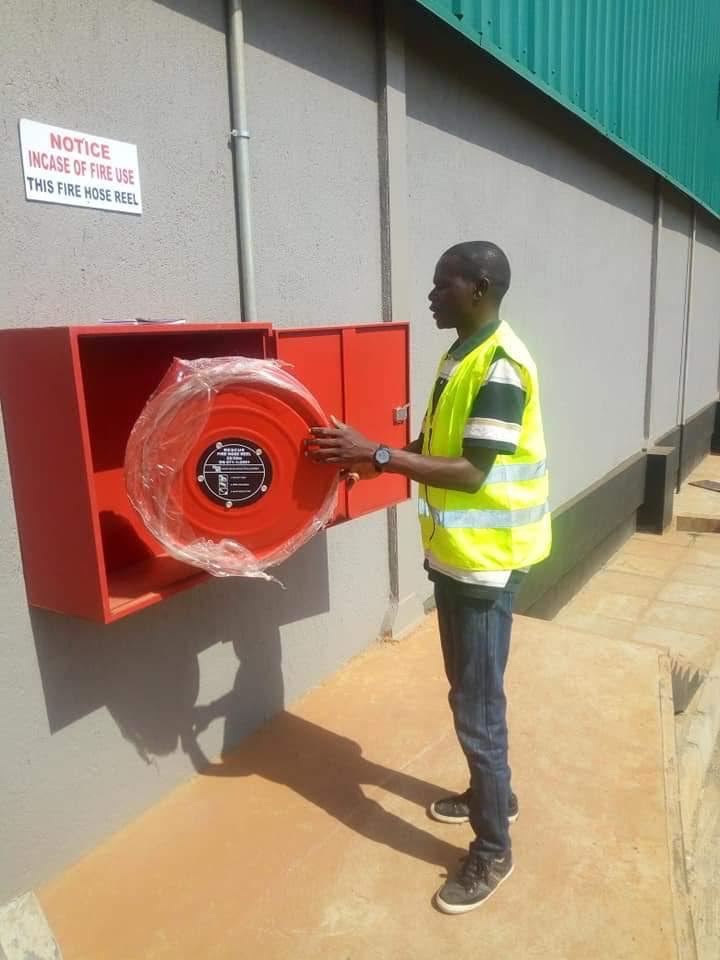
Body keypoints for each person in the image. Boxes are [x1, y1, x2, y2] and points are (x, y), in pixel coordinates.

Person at [307, 241, 551, 915]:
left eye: (442, 284)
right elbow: (441, 446)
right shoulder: (461, 354)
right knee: (469, 694)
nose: (431, 295)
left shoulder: (499, 365)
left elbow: (472, 471)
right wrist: (374, 461)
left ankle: (493, 847)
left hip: (482, 564)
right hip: (457, 556)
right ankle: (490, 793)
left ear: (478, 288)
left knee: (476, 708)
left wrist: (378, 451)